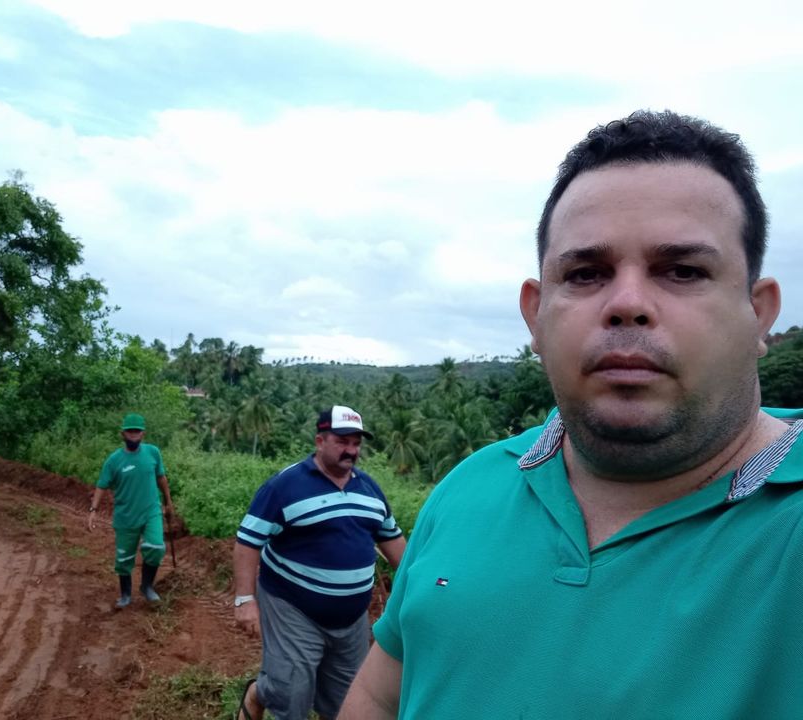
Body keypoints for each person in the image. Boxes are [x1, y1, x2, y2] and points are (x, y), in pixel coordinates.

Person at [339, 110, 803, 719]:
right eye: (586, 273)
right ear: (536, 314)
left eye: (683, 271)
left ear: (758, 312)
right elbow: (379, 693)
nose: (628, 304)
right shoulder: (472, 486)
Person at [233, 405, 407, 720]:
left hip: (352, 619)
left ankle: (276, 688)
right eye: (342, 442)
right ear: (319, 440)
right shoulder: (285, 486)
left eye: (356, 443)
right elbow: (248, 542)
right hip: (293, 608)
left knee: (350, 701)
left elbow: (393, 541)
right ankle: (260, 692)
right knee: (292, 694)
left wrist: (417, 583)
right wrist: (245, 600)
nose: (351, 451)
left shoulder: (369, 490)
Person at [88, 412, 174, 609]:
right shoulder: (114, 460)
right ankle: (125, 594)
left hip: (151, 511)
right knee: (124, 558)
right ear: (123, 434)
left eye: (137, 431)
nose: (133, 435)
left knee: (155, 547)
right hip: (125, 516)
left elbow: (161, 478)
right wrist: (93, 509)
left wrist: (168, 501)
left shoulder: (153, 453)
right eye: (130, 432)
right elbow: (102, 486)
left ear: (143, 433)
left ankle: (147, 586)